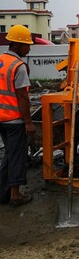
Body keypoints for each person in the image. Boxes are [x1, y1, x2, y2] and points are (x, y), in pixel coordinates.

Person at [0, 25, 36, 206]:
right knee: (17, 156)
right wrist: (28, 122)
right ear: (17, 46)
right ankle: (15, 195)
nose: (29, 48)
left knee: (9, 154)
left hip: (1, 119)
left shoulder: (1, 61)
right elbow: (22, 96)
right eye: (27, 45)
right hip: (14, 120)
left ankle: (2, 192)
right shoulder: (18, 66)